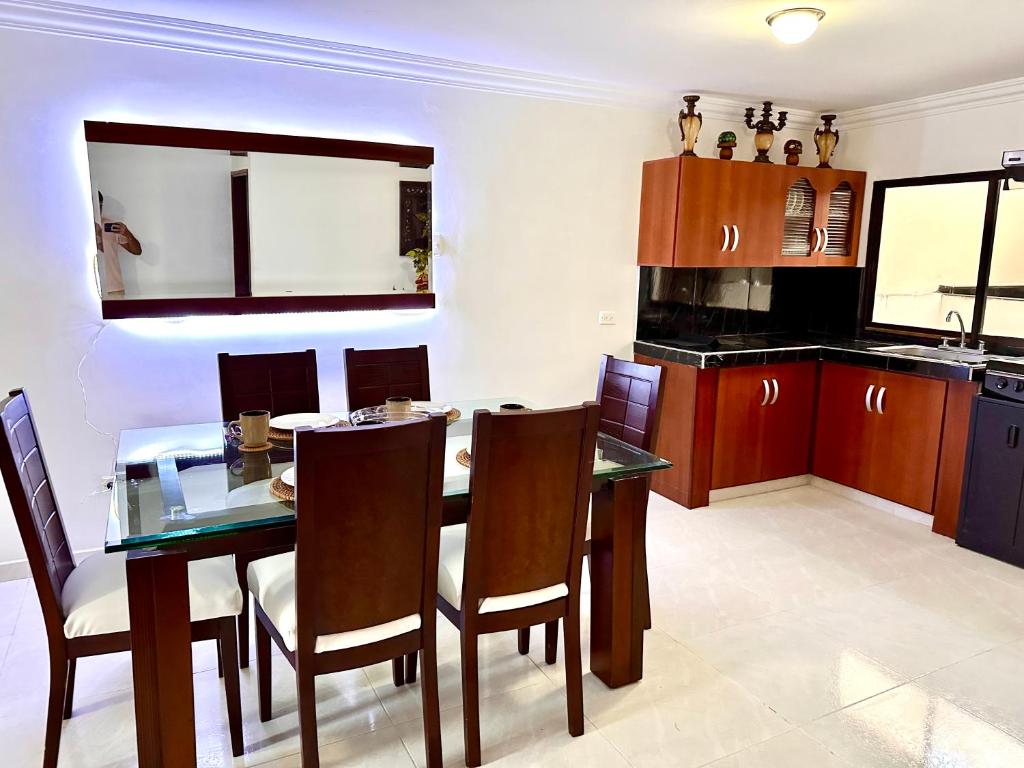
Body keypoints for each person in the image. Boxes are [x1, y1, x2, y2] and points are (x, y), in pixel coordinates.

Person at [95, 190, 142, 296]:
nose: (99, 209)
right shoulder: (77, 229)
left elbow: (137, 251)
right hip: (87, 288)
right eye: (96, 205)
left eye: (100, 205)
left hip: (114, 288)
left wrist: (127, 232)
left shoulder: (110, 225)